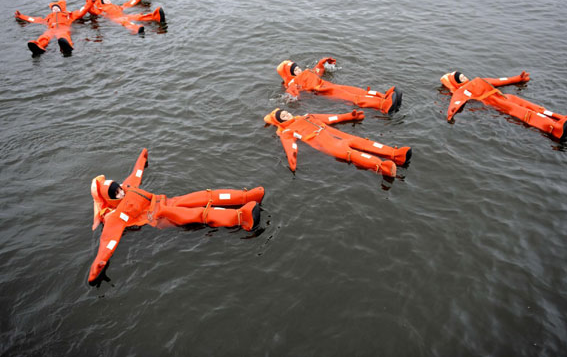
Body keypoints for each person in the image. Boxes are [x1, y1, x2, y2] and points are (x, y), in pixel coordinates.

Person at [88, 148, 264, 283]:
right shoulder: (115, 217)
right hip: (160, 217)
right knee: (198, 214)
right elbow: (108, 242)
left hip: (167, 201)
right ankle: (241, 218)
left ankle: (246, 196)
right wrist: (98, 266)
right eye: (115, 193)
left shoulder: (128, 188)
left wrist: (142, 157)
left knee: (205, 195)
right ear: (109, 199)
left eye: (118, 187)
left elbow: (137, 174)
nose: (120, 192)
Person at [264, 108, 411, 177]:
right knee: (351, 154)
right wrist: (292, 160)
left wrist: (349, 116)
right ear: (280, 121)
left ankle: (395, 154)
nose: (287, 114)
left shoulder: (308, 116)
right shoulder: (286, 131)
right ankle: (382, 167)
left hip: (339, 135)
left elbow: (330, 118)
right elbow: (290, 146)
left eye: (286, 112)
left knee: (362, 142)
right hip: (329, 145)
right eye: (283, 116)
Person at [441, 71, 567, 139]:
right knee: (523, 112)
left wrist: (518, 78)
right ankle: (555, 128)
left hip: (504, 97)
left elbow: (499, 81)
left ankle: (563, 118)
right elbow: (455, 103)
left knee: (534, 107)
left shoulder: (479, 80)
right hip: (495, 102)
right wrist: (451, 113)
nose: (464, 77)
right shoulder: (460, 91)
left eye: (463, 75)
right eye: (460, 77)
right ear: (456, 82)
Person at [277, 58, 402, 114]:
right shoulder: (292, 83)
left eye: (298, 68)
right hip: (324, 91)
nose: (299, 70)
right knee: (352, 98)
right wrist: (293, 96)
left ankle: (384, 96)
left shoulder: (306, 73)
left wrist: (322, 63)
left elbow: (317, 72)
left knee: (357, 91)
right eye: (295, 70)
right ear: (290, 74)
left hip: (330, 86)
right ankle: (384, 106)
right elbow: (291, 94)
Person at [14, 0, 97, 55]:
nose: (55, 9)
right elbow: (33, 19)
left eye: (57, 8)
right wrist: (21, 16)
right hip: (51, 29)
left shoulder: (69, 15)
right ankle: (38, 46)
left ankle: (67, 46)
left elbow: (82, 10)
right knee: (44, 36)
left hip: (63, 28)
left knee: (63, 37)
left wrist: (91, 2)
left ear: (61, 9)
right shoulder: (48, 18)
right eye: (53, 9)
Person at [88, 0, 165, 34]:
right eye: (104, 0)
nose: (107, 0)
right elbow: (91, 10)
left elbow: (130, 3)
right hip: (117, 19)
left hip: (124, 15)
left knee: (138, 16)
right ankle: (136, 28)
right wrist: (89, 2)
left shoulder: (116, 6)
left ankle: (155, 16)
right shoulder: (101, 10)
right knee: (126, 22)